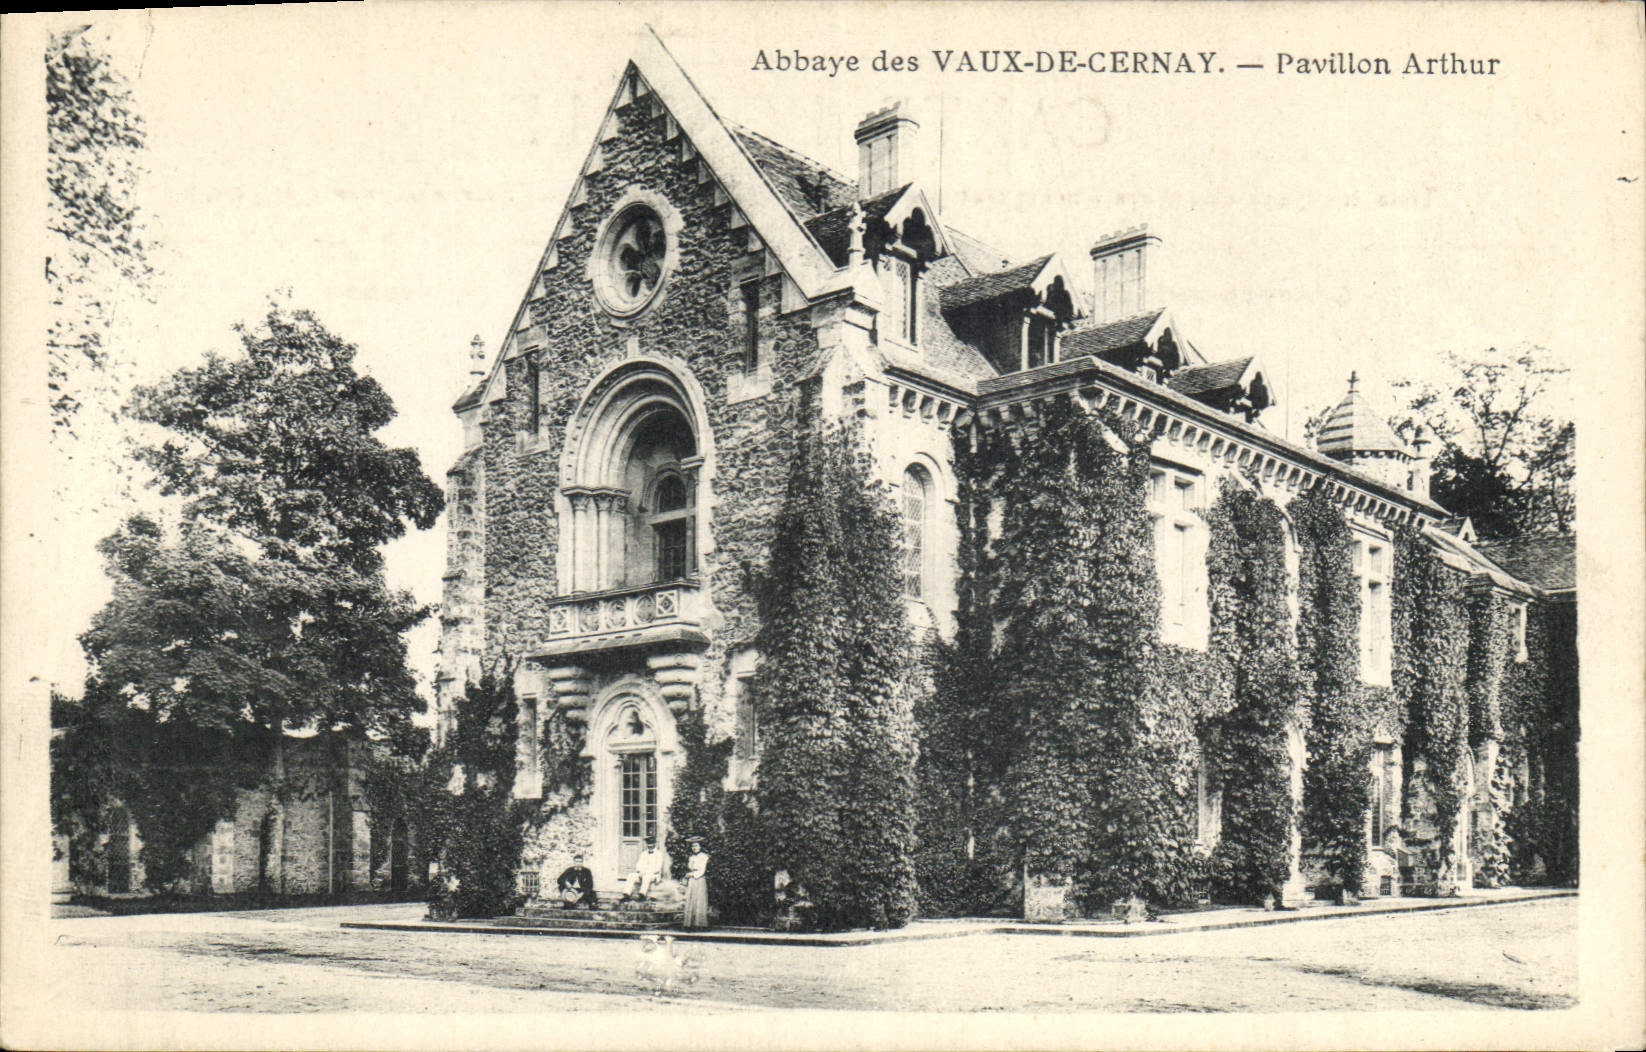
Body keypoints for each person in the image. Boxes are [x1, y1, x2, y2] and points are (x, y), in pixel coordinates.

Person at [623, 837, 669, 901]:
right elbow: (638, 865)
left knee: (646, 877)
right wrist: (640, 871)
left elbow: (658, 867)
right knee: (631, 875)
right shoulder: (643, 854)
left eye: (651, 844)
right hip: (642, 874)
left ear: (654, 844)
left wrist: (646, 873)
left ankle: (642, 895)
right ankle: (626, 894)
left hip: (653, 875)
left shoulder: (659, 854)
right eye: (648, 844)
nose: (649, 846)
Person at [681, 838, 710, 929]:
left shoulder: (704, 857)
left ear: (700, 847)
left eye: (696, 846)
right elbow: (690, 867)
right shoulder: (691, 857)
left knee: (699, 900)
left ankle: (700, 924)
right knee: (690, 899)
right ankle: (690, 924)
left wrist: (692, 875)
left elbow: (702, 870)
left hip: (699, 879)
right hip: (692, 880)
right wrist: (689, 875)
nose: (694, 848)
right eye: (693, 846)